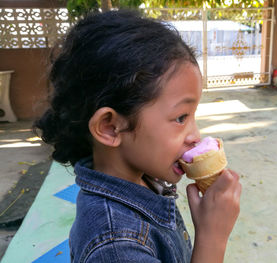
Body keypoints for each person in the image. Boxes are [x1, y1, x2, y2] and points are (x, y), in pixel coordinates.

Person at [34, 9, 241, 263]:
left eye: (193, 115)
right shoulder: (116, 247)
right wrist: (213, 237)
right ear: (110, 127)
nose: (195, 136)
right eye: (180, 118)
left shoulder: (143, 177)